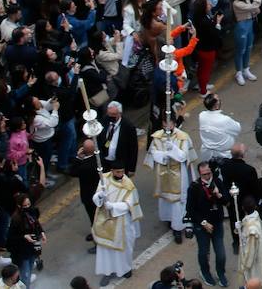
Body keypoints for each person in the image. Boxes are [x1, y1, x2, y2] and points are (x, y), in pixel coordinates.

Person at [145, 114, 198, 242]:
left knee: (179, 200)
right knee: (166, 200)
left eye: (169, 123)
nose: (166, 126)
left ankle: (180, 227)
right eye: (164, 123)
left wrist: (173, 149)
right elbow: (154, 152)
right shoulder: (157, 136)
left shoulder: (182, 137)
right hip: (163, 171)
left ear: (174, 123)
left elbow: (183, 156)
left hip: (179, 172)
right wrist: (164, 155)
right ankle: (170, 220)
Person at [92, 165, 143, 287]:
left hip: (122, 221)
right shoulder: (104, 179)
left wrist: (113, 206)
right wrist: (100, 196)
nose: (120, 174)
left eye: (122, 171)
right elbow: (96, 196)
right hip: (105, 219)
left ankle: (125, 269)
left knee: (124, 249)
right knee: (106, 249)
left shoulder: (128, 185)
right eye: (118, 171)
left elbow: (129, 205)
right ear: (112, 171)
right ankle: (108, 272)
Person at [185, 160, 230, 286]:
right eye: (204, 174)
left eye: (209, 173)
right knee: (204, 252)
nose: (207, 176)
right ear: (200, 174)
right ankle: (205, 272)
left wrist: (219, 194)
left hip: (217, 223)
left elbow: (227, 202)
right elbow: (190, 209)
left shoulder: (218, 182)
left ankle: (221, 273)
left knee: (221, 253)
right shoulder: (194, 187)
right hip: (202, 225)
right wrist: (203, 223)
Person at [237, 196, 262, 288]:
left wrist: (244, 265)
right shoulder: (255, 218)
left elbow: (251, 251)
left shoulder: (252, 229)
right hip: (259, 257)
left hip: (254, 264)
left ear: (243, 208)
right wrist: (239, 228)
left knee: (254, 284)